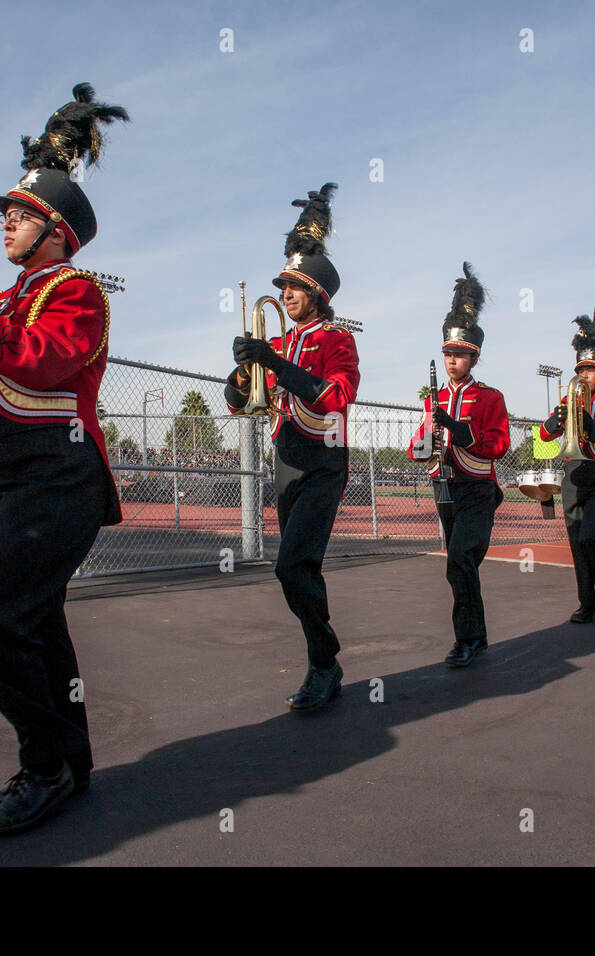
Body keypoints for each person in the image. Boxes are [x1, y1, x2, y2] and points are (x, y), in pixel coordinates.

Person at [0, 83, 129, 835]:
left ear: (55, 229)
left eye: (17, 214)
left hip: (59, 476)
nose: (3, 222)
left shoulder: (75, 291)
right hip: (12, 480)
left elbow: (42, 364)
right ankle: (69, 763)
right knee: (36, 624)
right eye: (6, 213)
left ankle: (41, 764)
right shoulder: (10, 300)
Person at [225, 183, 360, 711]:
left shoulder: (337, 339)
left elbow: (336, 397)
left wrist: (277, 365)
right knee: (299, 567)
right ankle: (323, 660)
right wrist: (241, 373)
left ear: (319, 294)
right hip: (285, 460)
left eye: (295, 287)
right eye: (282, 285)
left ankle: (324, 663)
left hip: (324, 461)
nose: (284, 294)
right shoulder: (279, 339)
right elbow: (239, 403)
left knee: (292, 566)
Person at [407, 263, 510, 667]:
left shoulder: (490, 398)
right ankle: (475, 637)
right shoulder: (432, 401)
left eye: (461, 355)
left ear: (474, 357)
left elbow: (498, 444)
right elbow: (418, 447)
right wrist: (425, 441)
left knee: (461, 559)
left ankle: (466, 640)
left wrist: (459, 430)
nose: (452, 361)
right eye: (448, 354)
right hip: (443, 487)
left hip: (476, 490)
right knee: (459, 565)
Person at [538, 313, 595, 623]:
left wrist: (592, 426)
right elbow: (544, 434)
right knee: (578, 541)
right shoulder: (570, 398)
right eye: (580, 369)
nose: (584, 374)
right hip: (575, 475)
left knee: (593, 536)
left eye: (591, 369)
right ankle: (586, 602)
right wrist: (558, 419)